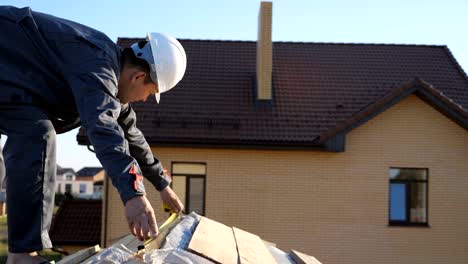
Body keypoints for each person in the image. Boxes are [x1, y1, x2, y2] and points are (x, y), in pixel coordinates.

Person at [0, 6, 186, 263]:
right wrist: (134, 194)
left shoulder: (110, 79)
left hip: (14, 83)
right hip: (6, 59)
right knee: (37, 134)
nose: (145, 99)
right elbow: (104, 129)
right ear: (139, 76)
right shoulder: (97, 67)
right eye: (150, 92)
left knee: (34, 133)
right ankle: (21, 255)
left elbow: (131, 136)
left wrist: (162, 185)